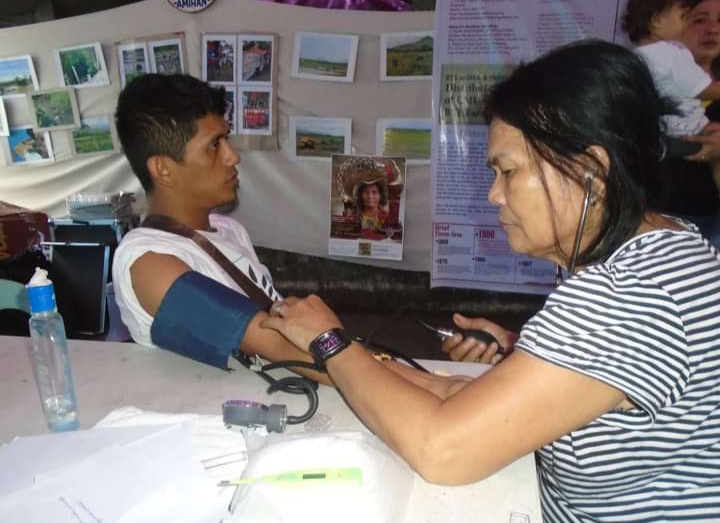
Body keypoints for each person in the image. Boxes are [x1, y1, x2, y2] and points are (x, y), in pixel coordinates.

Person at [261, 41, 720, 522]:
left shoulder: (626, 296)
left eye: (509, 171)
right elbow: (463, 394)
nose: (494, 195)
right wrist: (527, 352)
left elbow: (442, 451)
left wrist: (330, 341)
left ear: (590, 171)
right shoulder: (669, 248)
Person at [112, 73, 326, 382]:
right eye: (214, 145)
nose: (232, 156)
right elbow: (279, 347)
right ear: (163, 169)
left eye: (226, 138)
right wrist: (383, 373)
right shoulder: (148, 261)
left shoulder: (228, 230)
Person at [657, 0, 720, 247]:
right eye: (699, 20)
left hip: (711, 227)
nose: (713, 29)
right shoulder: (643, 84)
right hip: (651, 221)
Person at [623, 0, 720, 136]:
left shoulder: (631, 58)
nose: (713, 30)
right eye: (684, 17)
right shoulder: (671, 53)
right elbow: (704, 90)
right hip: (687, 132)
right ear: (656, 21)